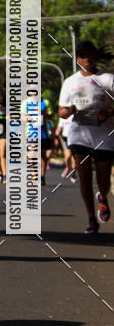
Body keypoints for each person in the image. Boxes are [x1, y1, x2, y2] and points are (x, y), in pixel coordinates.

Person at [58, 41, 114, 234]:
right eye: (82, 55)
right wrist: (71, 110)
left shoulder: (108, 79)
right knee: (84, 178)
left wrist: (109, 114)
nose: (86, 58)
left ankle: (103, 197)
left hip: (104, 134)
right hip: (79, 134)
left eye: (90, 54)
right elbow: (61, 112)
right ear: (77, 58)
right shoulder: (70, 82)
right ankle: (91, 218)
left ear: (96, 56)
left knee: (103, 178)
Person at [55, 114, 77, 182]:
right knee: (68, 155)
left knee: (74, 157)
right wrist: (57, 133)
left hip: (75, 138)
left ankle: (74, 174)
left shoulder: (76, 115)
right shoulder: (63, 116)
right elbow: (59, 127)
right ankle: (67, 167)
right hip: (65, 138)